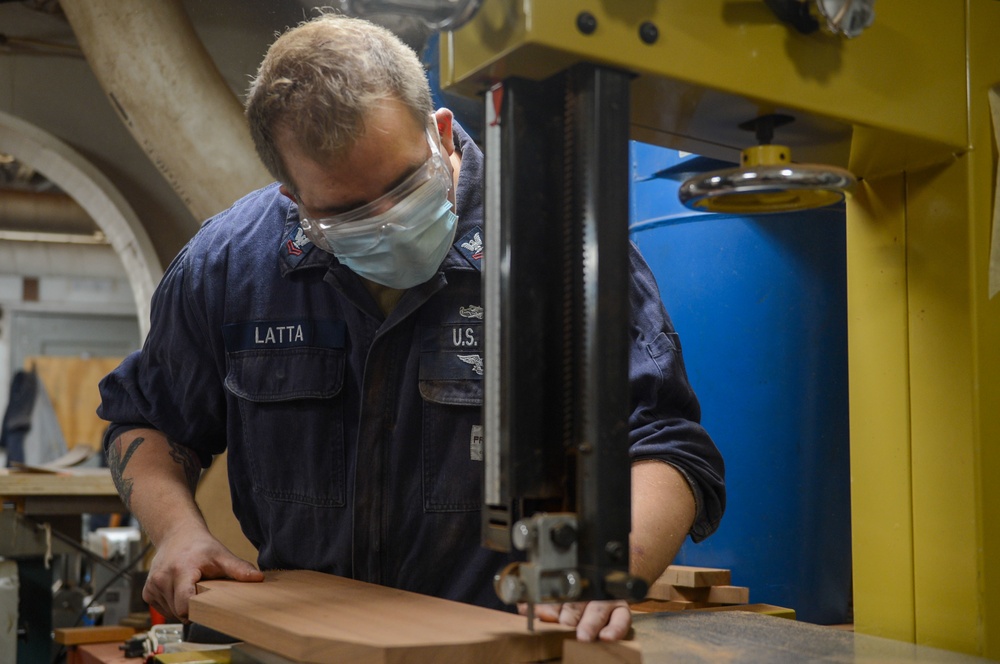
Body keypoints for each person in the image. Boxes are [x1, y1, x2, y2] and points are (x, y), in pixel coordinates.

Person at [97, 13, 725, 642]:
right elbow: (148, 421)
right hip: (304, 648)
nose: (390, 222)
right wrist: (180, 532)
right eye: (348, 213)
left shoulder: (556, 244)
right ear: (292, 195)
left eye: (404, 186)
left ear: (441, 133)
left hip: (500, 649)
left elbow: (664, 443)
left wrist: (614, 562)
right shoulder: (230, 266)